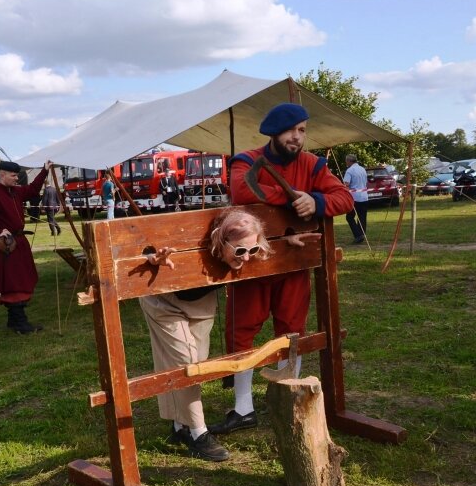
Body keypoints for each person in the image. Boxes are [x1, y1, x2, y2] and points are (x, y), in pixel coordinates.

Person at [210, 102, 354, 435]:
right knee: (241, 332)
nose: (297, 137)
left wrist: (316, 201)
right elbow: (243, 189)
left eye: (302, 130)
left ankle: (288, 399)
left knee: (291, 330)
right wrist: (292, 199)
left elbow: (343, 197)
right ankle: (242, 408)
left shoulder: (314, 165)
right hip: (253, 264)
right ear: (275, 132)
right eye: (291, 130)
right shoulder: (247, 160)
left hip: (293, 266)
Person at [139, 208, 272, 461]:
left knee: (195, 364)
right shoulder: (196, 240)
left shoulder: (248, 254)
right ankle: (199, 433)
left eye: (252, 250)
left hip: (201, 304)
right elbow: (141, 244)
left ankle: (180, 427)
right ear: (221, 241)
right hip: (163, 301)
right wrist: (152, 258)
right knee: (186, 363)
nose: (246, 258)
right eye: (240, 250)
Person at [0, 160, 52, 334]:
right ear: (2, 175)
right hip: (8, 246)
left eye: (17, 175)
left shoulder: (15, 192)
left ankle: (13, 320)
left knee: (21, 278)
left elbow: (32, 189)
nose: (17, 178)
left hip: (20, 242)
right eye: (13, 175)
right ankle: (20, 323)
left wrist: (44, 171)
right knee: (14, 282)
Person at [343, 153, 368, 244]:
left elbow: (346, 184)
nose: (346, 162)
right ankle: (362, 234)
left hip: (354, 198)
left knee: (349, 217)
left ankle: (358, 235)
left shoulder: (350, 170)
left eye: (346, 161)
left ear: (349, 161)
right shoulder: (362, 169)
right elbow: (365, 182)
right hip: (364, 196)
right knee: (362, 217)